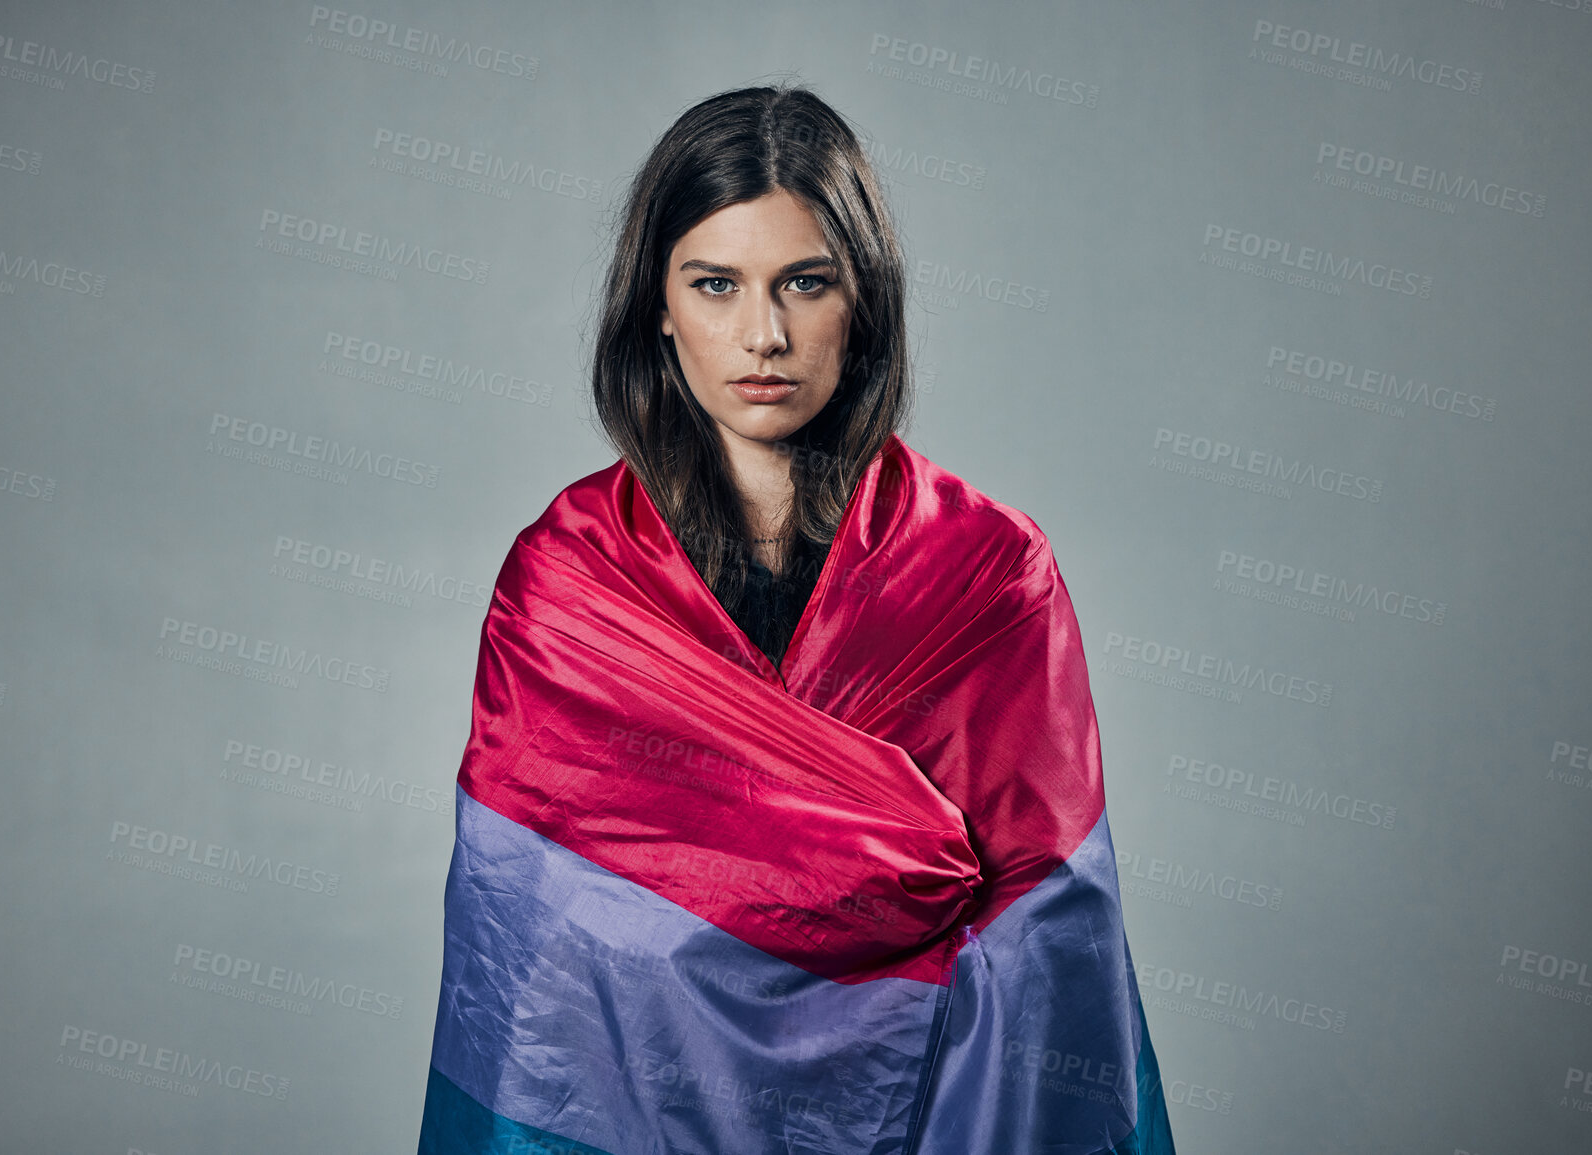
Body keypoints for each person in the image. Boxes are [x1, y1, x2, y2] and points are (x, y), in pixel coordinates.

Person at [418, 84, 1173, 1155]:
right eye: (715, 284)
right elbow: (541, 972)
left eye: (805, 284)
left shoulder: (990, 575)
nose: (763, 335)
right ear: (658, 308)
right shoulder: (569, 586)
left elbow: (1047, 958)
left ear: (862, 301)